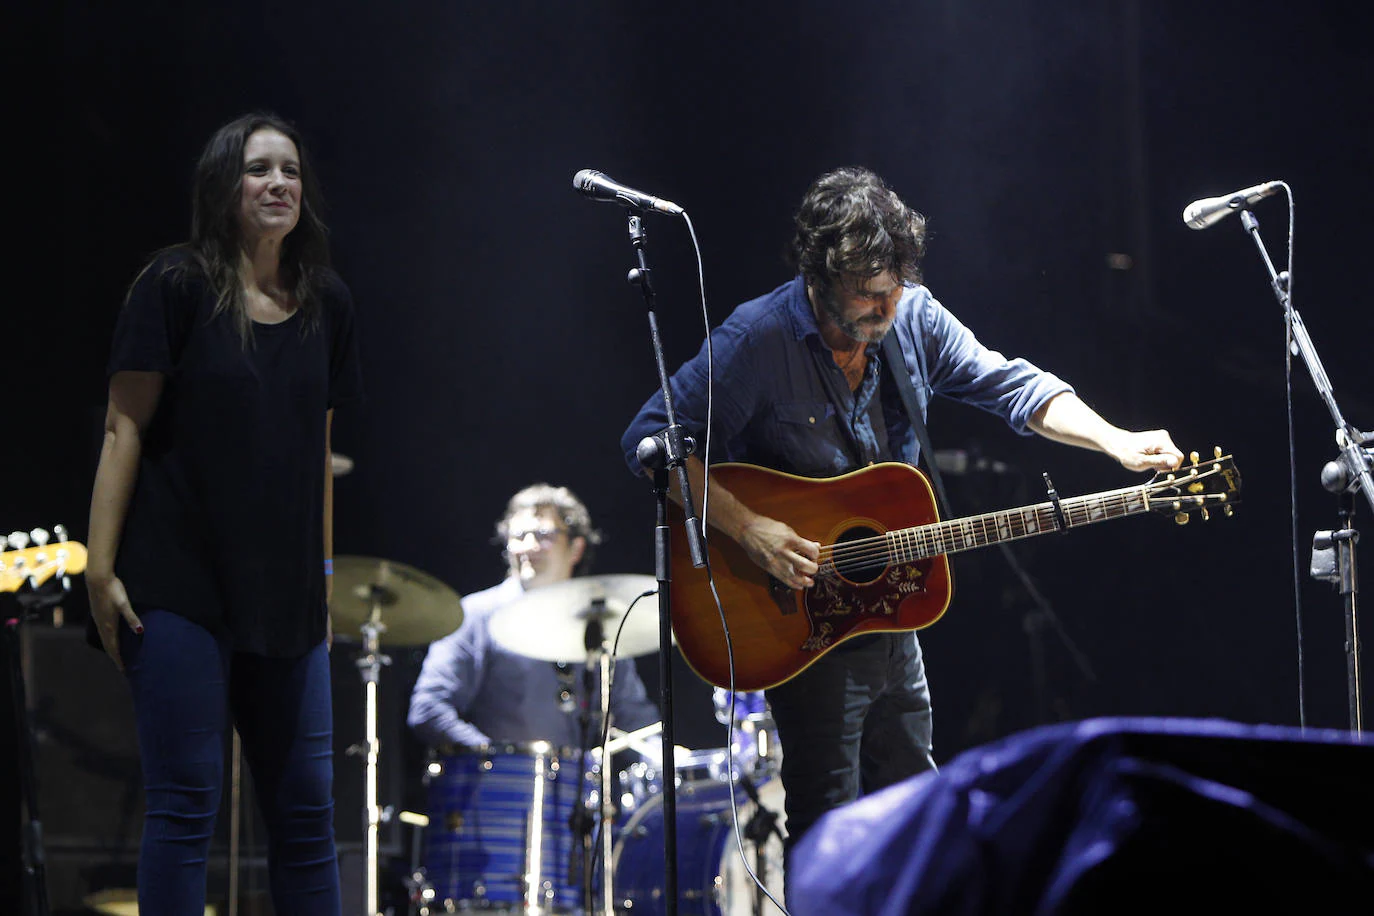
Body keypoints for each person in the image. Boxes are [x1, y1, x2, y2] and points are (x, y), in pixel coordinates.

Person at [620, 166, 1183, 864]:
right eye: (867, 292)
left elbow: (1013, 383)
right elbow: (651, 442)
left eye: (893, 287)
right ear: (819, 275)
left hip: (890, 610)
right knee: (830, 830)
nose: (886, 307)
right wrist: (749, 527)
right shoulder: (757, 340)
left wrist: (1116, 440)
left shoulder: (911, 313)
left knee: (915, 816)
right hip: (796, 619)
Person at [86, 112, 361, 914]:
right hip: (181, 585)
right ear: (224, 184)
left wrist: (323, 580)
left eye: (291, 171)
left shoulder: (326, 303)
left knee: (308, 817)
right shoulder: (172, 285)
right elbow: (121, 429)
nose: (279, 183)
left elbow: (320, 455)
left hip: (286, 596)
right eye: (259, 169)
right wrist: (99, 573)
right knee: (185, 808)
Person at [407, 483, 660, 750]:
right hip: (496, 785)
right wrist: (497, 758)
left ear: (576, 548)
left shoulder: (602, 621)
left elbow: (636, 721)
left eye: (543, 534)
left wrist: (666, 758)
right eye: (518, 536)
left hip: (580, 787)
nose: (528, 546)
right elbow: (428, 709)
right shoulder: (476, 615)